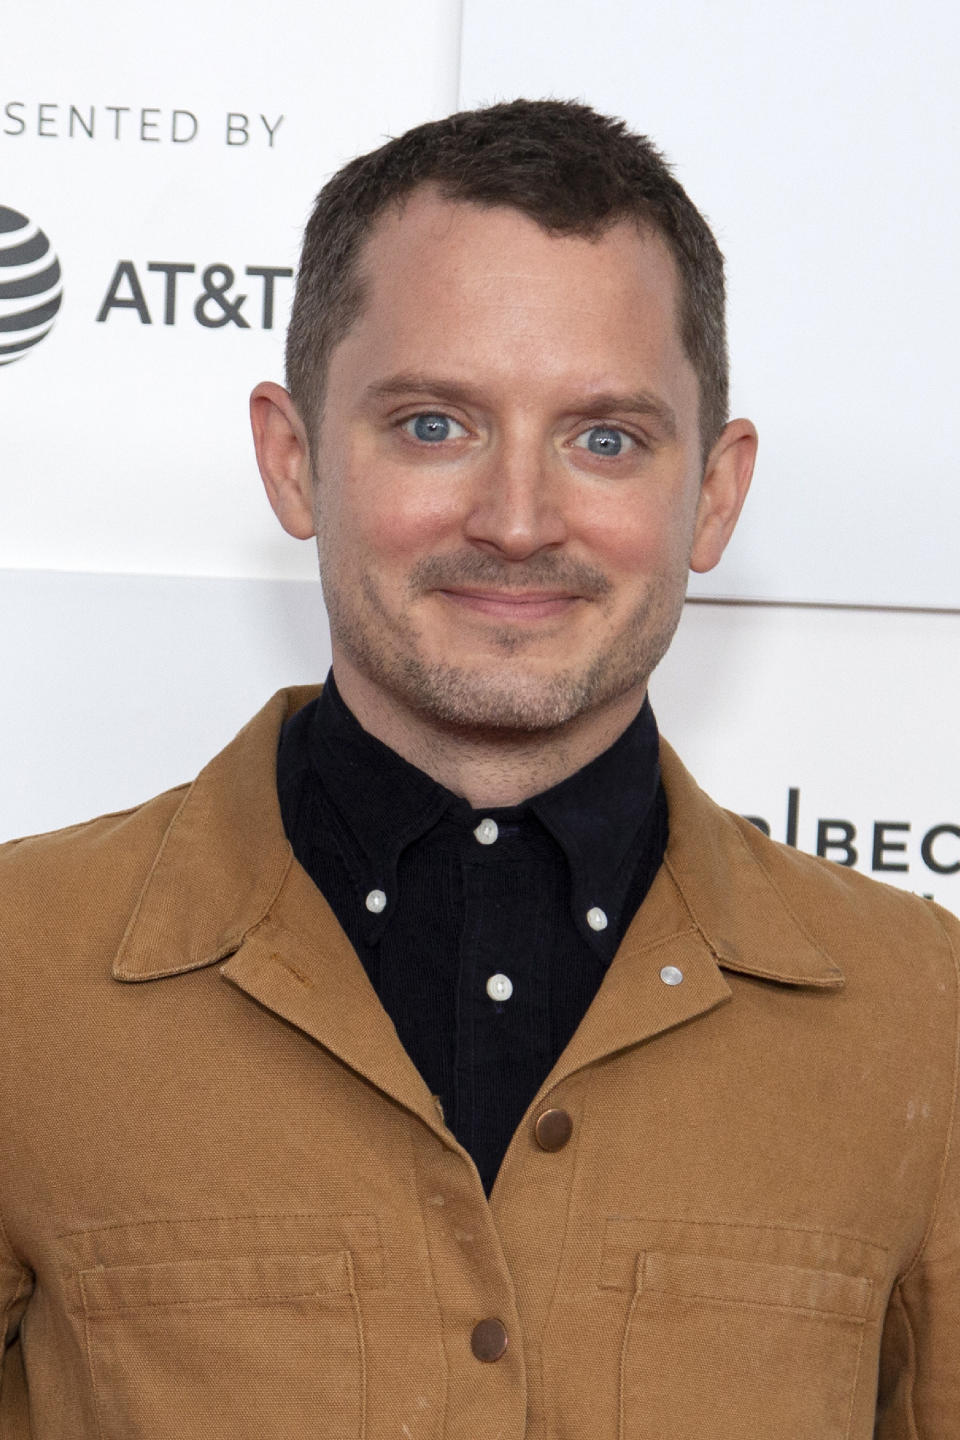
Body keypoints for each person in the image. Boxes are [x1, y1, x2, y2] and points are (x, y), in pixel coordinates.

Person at [0, 99, 957, 1440]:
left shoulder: (927, 1015)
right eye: (435, 425)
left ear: (719, 496)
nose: (516, 522)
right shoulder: (18, 973)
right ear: (293, 461)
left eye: (606, 437)